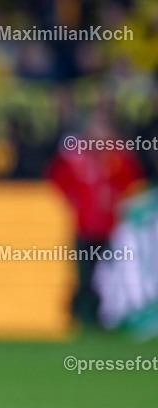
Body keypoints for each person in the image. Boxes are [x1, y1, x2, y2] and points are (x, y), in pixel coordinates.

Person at [47, 117, 145, 326]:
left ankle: (102, 317)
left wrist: (119, 206)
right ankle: (79, 314)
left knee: (107, 277)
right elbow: (57, 180)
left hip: (112, 229)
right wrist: (73, 202)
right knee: (84, 275)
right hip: (84, 228)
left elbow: (132, 185)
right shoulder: (76, 158)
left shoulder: (119, 158)